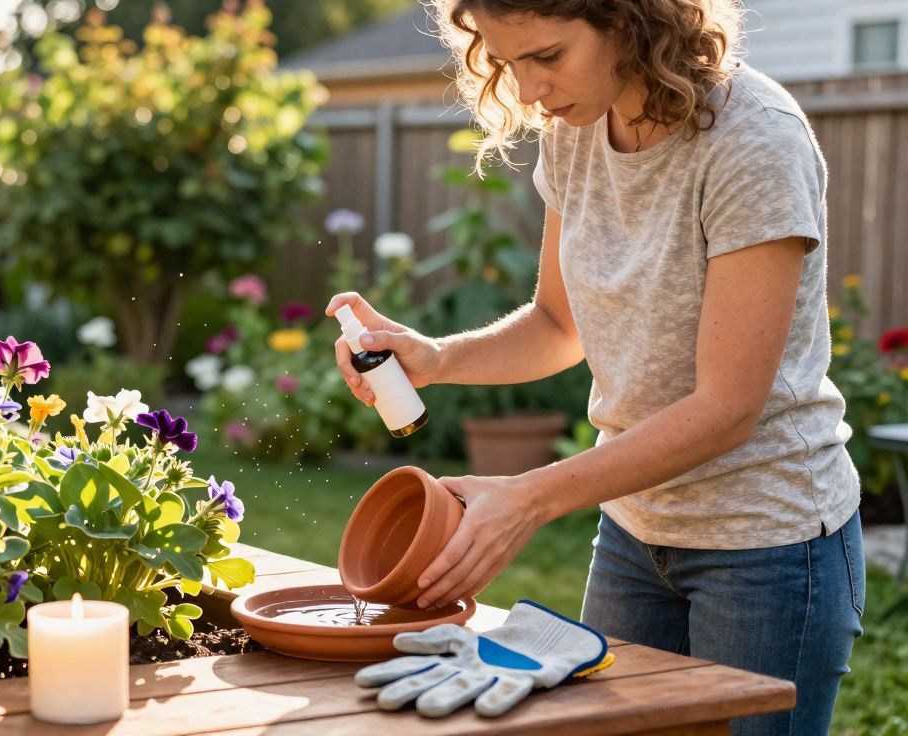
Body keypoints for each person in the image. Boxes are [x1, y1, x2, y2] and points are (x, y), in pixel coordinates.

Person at [326, 1, 865, 733]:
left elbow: (727, 407)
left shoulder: (754, 141)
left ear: (632, 21)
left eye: (546, 57)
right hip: (633, 533)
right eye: (508, 60)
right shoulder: (576, 131)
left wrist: (530, 496)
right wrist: (438, 357)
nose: (526, 90)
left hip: (767, 547)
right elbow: (556, 325)